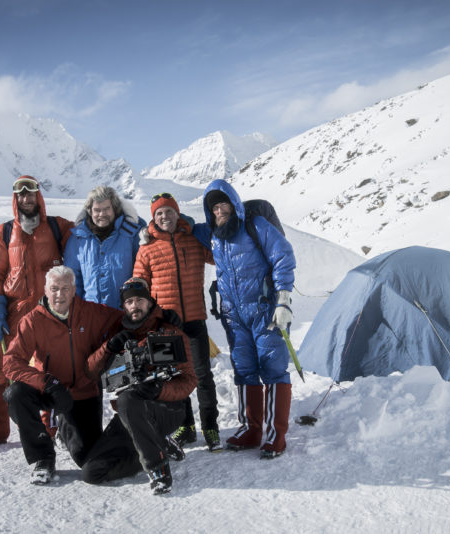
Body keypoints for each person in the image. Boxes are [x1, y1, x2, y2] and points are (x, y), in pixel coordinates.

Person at [0, 175, 74, 448]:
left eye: (30, 193)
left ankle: (49, 425)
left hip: (48, 312)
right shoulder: (5, 232)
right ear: (15, 199)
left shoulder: (59, 227)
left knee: (46, 367)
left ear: (38, 196)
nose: (26, 198)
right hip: (14, 312)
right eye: (20, 194)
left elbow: (89, 238)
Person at [2, 266, 124, 484]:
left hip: (84, 393)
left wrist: (159, 316)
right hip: (51, 391)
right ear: (45, 290)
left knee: (87, 459)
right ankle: (43, 457)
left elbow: (127, 320)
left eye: (65, 288)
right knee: (15, 394)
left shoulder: (91, 312)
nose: (59, 294)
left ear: (74, 289)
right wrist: (46, 382)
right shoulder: (32, 321)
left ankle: (127, 433)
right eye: (54, 288)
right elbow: (10, 362)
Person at [202, 179, 296, 459]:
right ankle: (251, 429)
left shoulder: (255, 226)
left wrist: (284, 300)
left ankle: (276, 434)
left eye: (223, 204)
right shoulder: (214, 235)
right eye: (214, 207)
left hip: (265, 309)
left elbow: (283, 257)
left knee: (273, 369)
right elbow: (178, 229)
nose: (219, 211)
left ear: (234, 204)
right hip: (234, 315)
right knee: (243, 369)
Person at [84, 277, 197, 494]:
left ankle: (158, 469)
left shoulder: (169, 330)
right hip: (130, 414)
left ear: (149, 301)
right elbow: (90, 371)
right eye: (129, 302)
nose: (134, 306)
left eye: (139, 300)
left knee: (128, 399)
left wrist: (159, 390)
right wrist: (108, 348)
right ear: (124, 306)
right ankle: (158, 445)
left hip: (166, 408)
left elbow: (189, 379)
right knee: (92, 472)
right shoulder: (118, 331)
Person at [133, 192, 222, 452]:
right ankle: (186, 426)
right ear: (154, 217)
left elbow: (217, 256)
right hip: (166, 325)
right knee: (175, 377)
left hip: (195, 319)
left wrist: (204, 231)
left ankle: (211, 428)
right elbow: (139, 284)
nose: (164, 217)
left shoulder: (193, 239)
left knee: (203, 375)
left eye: (169, 211)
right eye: (159, 213)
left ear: (177, 213)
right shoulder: (147, 247)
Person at [63, 185, 144, 309]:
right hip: (91, 314)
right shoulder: (78, 239)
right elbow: (72, 280)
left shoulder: (131, 234)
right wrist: (77, 311)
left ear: (114, 209)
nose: (102, 214)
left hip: (125, 313)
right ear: (90, 211)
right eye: (97, 210)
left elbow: (142, 274)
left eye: (107, 209)